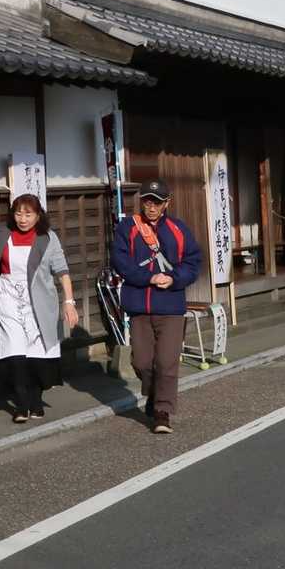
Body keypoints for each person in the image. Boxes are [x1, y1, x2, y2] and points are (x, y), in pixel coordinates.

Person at [0, 194, 76, 423]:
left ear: (38, 215)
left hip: (39, 301)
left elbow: (62, 271)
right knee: (15, 352)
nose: (22, 219)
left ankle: (36, 401)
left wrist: (69, 302)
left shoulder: (48, 237)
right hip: (8, 297)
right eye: (18, 213)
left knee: (37, 355)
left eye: (28, 214)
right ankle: (22, 405)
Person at [111, 179, 201, 434]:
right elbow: (120, 261)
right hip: (139, 305)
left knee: (167, 361)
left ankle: (162, 413)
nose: (151, 207)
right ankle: (154, 394)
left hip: (170, 305)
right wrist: (148, 278)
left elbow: (193, 262)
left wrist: (174, 279)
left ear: (166, 204)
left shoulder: (178, 229)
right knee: (141, 362)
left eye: (157, 202)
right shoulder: (127, 227)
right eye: (147, 202)